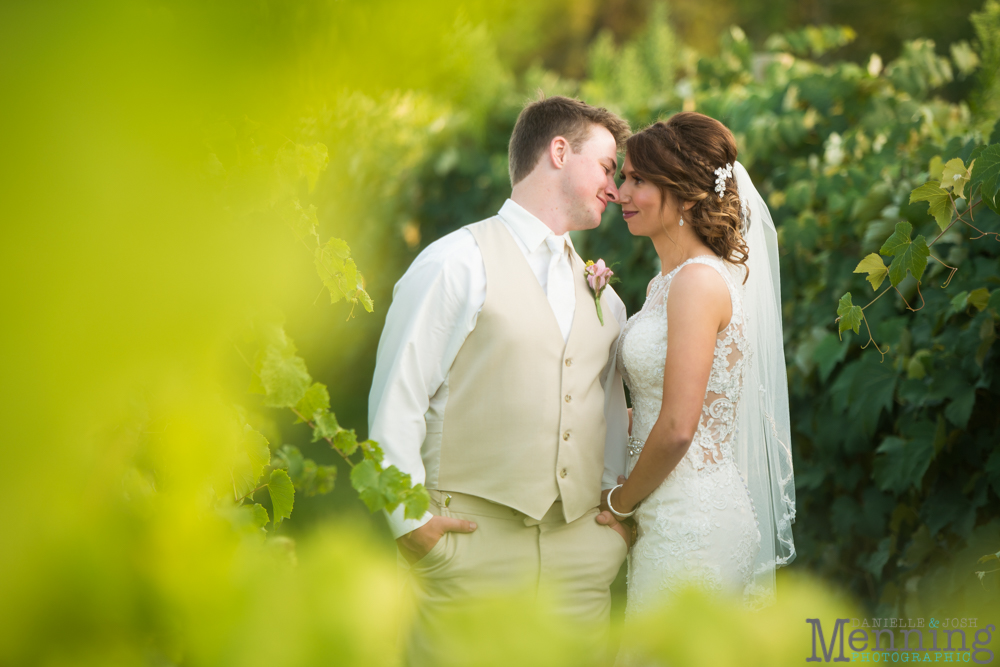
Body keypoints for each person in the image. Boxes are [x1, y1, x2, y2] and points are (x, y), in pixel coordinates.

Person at [368, 95, 634, 665]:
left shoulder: (606, 299)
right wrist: (410, 524)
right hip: (467, 553)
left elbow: (610, 415)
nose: (615, 188)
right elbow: (397, 400)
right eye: (608, 167)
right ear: (558, 152)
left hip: (578, 563)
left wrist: (609, 531)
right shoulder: (454, 262)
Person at [598, 112, 797, 663]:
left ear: (684, 195)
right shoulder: (665, 282)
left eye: (638, 179)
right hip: (671, 510)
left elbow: (682, 427)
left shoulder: (696, 284)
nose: (621, 192)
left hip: (693, 520)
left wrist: (620, 503)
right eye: (623, 177)